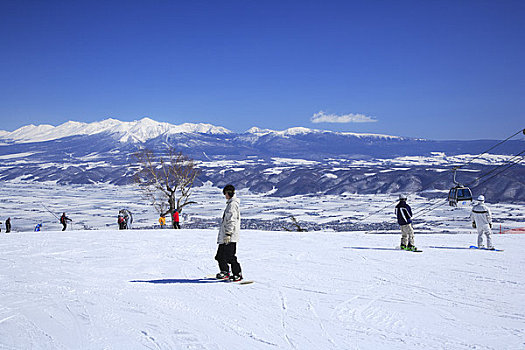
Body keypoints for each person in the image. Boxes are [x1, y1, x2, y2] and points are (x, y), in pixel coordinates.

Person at [215, 184, 243, 281]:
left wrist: (228, 233)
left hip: (230, 236)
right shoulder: (230, 204)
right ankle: (225, 271)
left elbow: (232, 220)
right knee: (220, 256)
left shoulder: (232, 205)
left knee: (230, 256)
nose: (225, 196)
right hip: (225, 236)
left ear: (229, 193)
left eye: (225, 194)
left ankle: (237, 273)